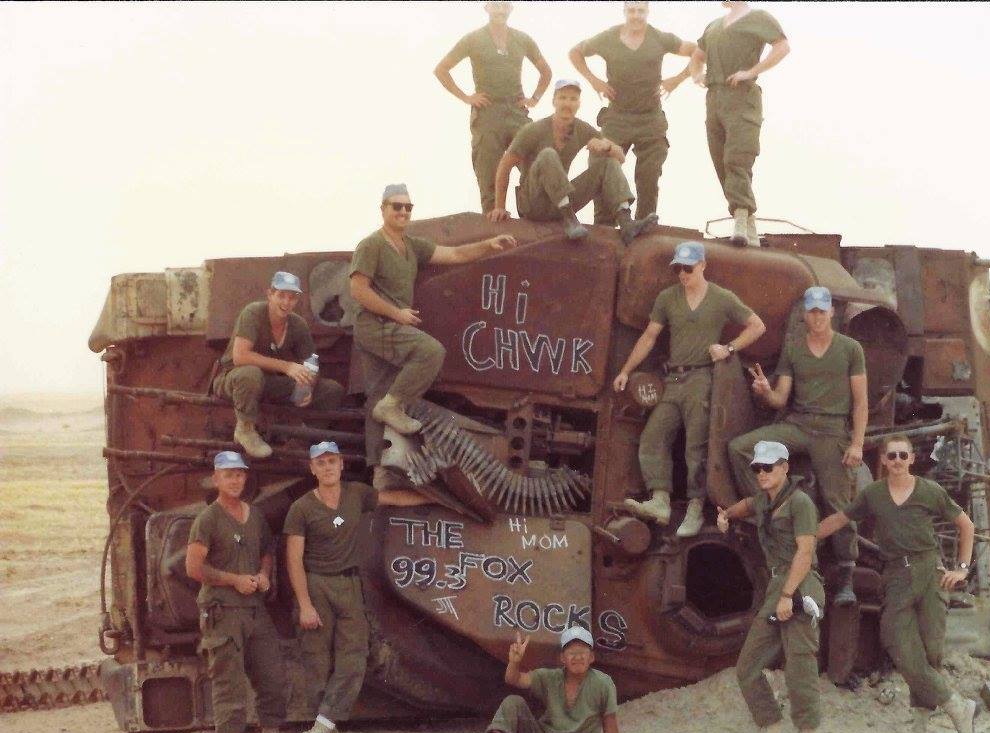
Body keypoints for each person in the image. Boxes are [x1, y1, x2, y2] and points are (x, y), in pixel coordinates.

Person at [817, 433, 978, 733]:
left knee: (930, 654)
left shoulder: (929, 491)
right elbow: (840, 518)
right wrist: (806, 539)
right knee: (898, 643)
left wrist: (961, 568)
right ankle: (957, 706)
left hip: (929, 573)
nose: (897, 461)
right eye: (891, 456)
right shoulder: (873, 495)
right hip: (895, 577)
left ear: (912, 459)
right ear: (883, 460)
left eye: (903, 455)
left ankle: (921, 731)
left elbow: (966, 525)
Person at [285, 441, 430, 733]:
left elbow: (394, 499)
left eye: (332, 461)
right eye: (321, 463)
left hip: (349, 584)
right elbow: (293, 560)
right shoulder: (301, 508)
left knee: (354, 659)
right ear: (312, 468)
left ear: (341, 464)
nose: (327, 467)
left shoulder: (357, 494)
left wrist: (435, 499)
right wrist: (305, 604)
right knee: (317, 662)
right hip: (316, 584)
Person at [349, 183, 517, 464]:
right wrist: (396, 313)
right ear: (383, 209)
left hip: (389, 326)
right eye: (397, 206)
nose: (403, 212)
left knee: (379, 395)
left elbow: (455, 254)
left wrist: (488, 245)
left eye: (408, 207)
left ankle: (378, 468)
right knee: (430, 352)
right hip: (375, 325)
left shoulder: (412, 246)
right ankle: (392, 407)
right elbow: (358, 290)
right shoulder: (371, 245)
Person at [727, 285, 866, 606]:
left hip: (832, 430)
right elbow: (781, 399)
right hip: (798, 425)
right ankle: (769, 511)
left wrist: (857, 443)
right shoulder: (794, 348)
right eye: (811, 311)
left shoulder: (850, 349)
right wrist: (765, 391)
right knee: (740, 448)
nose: (817, 317)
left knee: (838, 502)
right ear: (804, 314)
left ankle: (847, 572)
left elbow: (861, 402)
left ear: (831, 312)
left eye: (822, 311)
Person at [614, 241, 765, 537]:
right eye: (678, 269)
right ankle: (660, 500)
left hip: (702, 379)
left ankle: (695, 507)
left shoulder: (721, 298)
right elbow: (649, 336)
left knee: (696, 446)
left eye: (688, 268)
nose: (683, 274)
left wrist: (729, 348)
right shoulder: (668, 298)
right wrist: (625, 371)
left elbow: (757, 325)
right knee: (653, 435)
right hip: (674, 380)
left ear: (702, 266)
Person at [184, 451, 298, 733]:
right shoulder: (208, 519)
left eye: (239, 474)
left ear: (245, 478)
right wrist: (234, 580)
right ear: (216, 479)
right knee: (229, 679)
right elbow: (193, 567)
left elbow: (266, 551)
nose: (234, 480)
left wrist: (263, 574)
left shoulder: (255, 515)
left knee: (272, 674)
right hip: (223, 610)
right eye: (228, 475)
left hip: (255, 610)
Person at [715, 441, 823, 733]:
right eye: (757, 468)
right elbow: (747, 505)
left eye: (769, 467)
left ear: (785, 467)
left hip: (800, 585)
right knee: (748, 666)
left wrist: (788, 595)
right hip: (778, 586)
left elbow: (805, 552)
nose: (762, 473)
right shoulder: (765, 499)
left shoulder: (800, 502)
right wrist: (726, 515)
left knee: (799, 665)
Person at [568, 2, 696, 224]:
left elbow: (697, 51)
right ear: (625, 11)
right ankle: (605, 224)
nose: (636, 15)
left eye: (641, 10)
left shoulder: (659, 38)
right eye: (632, 10)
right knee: (601, 162)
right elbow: (575, 52)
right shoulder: (608, 37)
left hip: (650, 117)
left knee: (649, 172)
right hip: (617, 116)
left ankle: (644, 223)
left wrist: (678, 78)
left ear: (647, 11)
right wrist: (594, 80)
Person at [487, 79, 658, 243]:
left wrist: (606, 146)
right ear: (554, 101)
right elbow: (505, 165)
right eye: (562, 98)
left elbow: (620, 157)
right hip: (533, 203)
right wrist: (499, 206)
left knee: (608, 163)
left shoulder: (582, 128)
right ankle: (569, 219)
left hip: (560, 202)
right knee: (548, 154)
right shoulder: (533, 130)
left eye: (573, 99)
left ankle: (626, 221)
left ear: (578, 104)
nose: (567, 103)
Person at [472, 626, 643, 733]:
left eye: (582, 652)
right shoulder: (550, 677)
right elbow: (514, 679)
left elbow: (609, 721)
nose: (577, 657)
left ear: (591, 657)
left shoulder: (603, 683)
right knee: (513, 702)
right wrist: (514, 662)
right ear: (562, 658)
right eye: (572, 653)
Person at [212, 271, 346, 459]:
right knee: (250, 374)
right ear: (270, 294)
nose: (286, 302)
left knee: (331, 390)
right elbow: (240, 356)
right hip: (235, 381)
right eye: (281, 295)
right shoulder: (253, 313)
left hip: (271, 384)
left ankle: (300, 441)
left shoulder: (297, 324)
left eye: (292, 297)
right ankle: (245, 430)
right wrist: (287, 367)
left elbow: (311, 361)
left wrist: (307, 385)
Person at [434, 2, 552, 214]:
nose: (500, 10)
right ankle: (492, 217)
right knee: (488, 170)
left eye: (505, 6)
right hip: (488, 112)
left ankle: (532, 213)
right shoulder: (473, 39)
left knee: (537, 160)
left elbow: (546, 71)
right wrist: (466, 97)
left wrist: (534, 98)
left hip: (516, 110)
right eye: (496, 5)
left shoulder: (522, 39)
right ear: (487, 7)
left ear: (510, 9)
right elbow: (442, 69)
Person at [689, 1, 789, 247]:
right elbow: (697, 56)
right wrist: (696, 74)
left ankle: (741, 217)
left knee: (737, 158)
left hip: (742, 96)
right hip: (714, 98)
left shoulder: (759, 17)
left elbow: (782, 47)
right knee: (720, 160)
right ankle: (746, 220)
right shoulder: (713, 26)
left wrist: (751, 71)